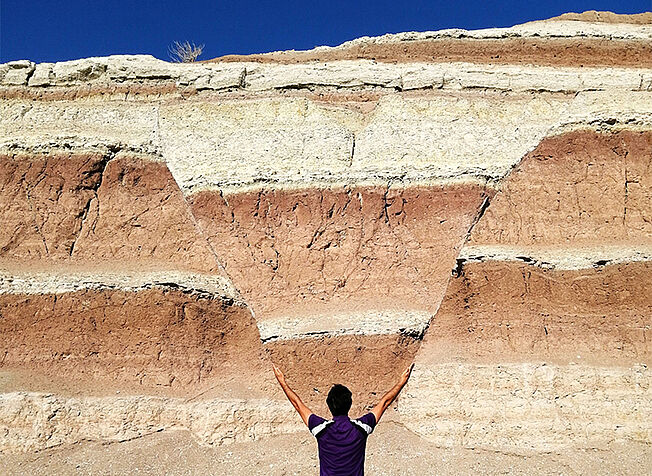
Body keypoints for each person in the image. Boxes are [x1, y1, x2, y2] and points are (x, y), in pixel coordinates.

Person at [272, 363, 414, 476]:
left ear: (329, 405)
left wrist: (282, 382)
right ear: (350, 404)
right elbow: (384, 402)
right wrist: (401, 382)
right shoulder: (361, 428)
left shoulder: (321, 429)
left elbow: (298, 405)